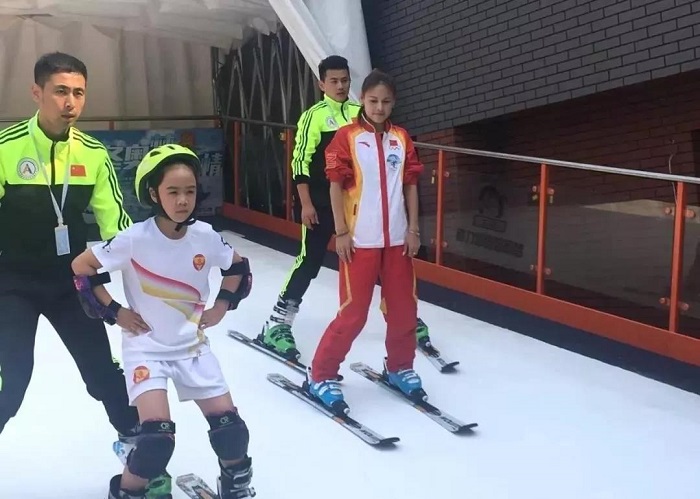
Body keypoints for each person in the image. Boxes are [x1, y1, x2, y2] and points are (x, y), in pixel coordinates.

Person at [0, 51, 172, 494]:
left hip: (70, 281)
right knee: (10, 380)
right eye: (60, 91)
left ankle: (142, 459)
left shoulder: (93, 154)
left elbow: (118, 229)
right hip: (11, 283)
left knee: (103, 373)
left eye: (78, 92)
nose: (70, 102)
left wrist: (156, 280)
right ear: (36, 92)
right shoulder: (5, 148)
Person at [71, 144, 255, 499]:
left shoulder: (205, 236)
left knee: (232, 432)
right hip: (147, 351)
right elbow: (82, 267)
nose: (183, 200)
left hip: (193, 349)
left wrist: (222, 305)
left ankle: (236, 489)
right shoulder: (134, 239)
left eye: (190, 191)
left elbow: (238, 267)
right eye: (173, 192)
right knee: (156, 442)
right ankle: (126, 492)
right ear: (154, 194)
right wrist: (115, 311)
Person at [260, 55, 435, 360]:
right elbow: (300, 162)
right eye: (334, 81)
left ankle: (403, 317)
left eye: (345, 80)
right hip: (321, 204)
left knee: (380, 260)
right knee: (310, 260)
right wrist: (305, 203)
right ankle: (277, 322)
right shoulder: (313, 116)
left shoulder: (361, 111)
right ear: (322, 84)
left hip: (359, 207)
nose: (340, 86)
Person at [305, 69, 427, 413]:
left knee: (404, 310)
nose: (379, 107)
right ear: (363, 99)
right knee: (353, 313)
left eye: (386, 101)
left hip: (397, 240)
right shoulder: (347, 137)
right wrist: (341, 232)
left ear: (394, 103)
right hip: (359, 240)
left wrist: (414, 229)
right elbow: (335, 185)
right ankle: (320, 374)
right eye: (373, 100)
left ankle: (400, 367)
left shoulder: (401, 138)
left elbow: (411, 185)